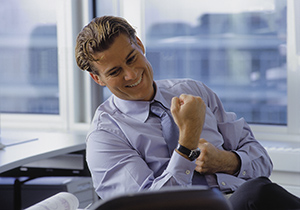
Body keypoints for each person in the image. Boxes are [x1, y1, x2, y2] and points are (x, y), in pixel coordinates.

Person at [75, 16, 300, 209]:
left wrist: (226, 161)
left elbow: (262, 161)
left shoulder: (193, 90)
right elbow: (143, 206)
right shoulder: (105, 136)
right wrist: (187, 143)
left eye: (131, 59)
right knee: (256, 193)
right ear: (98, 79)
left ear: (140, 46)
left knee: (258, 192)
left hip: (244, 200)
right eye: (115, 71)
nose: (131, 75)